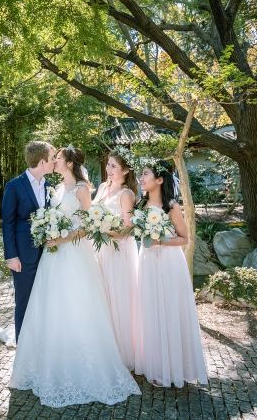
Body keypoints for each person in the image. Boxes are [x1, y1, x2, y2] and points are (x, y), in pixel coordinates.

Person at [9, 145, 141, 408]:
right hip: (52, 256)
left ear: (69, 163)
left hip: (73, 253)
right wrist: (47, 230)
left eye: (57, 158)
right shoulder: (56, 188)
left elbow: (87, 226)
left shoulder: (82, 189)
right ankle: (50, 361)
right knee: (51, 307)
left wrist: (63, 237)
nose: (54, 161)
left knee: (76, 305)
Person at [133, 159, 208, 388]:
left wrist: (160, 241)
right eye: (141, 174)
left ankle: (174, 368)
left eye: (146, 173)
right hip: (147, 262)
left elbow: (184, 239)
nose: (141, 178)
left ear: (159, 180)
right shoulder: (139, 205)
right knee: (151, 311)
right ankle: (156, 364)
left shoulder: (171, 206)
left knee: (170, 311)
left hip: (168, 263)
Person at [1, 141, 56, 342]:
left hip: (48, 254)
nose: (55, 162)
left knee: (45, 301)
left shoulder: (49, 187)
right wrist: (11, 256)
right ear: (42, 162)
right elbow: (7, 222)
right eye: (52, 159)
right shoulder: (15, 185)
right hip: (24, 255)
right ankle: (23, 348)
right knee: (24, 302)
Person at [92, 150, 139, 370]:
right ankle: (104, 349)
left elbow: (128, 229)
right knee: (102, 298)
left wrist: (102, 230)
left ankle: (122, 353)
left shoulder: (126, 194)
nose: (108, 169)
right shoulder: (103, 187)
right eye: (108, 164)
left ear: (126, 170)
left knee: (118, 298)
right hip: (100, 250)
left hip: (118, 252)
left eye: (113, 166)